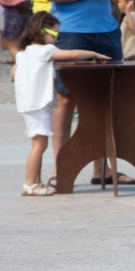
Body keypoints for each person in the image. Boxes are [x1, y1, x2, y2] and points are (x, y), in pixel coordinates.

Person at [43, 0, 135, 188]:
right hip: (71, 31)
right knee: (66, 99)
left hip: (106, 30)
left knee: (106, 100)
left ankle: (102, 169)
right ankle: (60, 167)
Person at [12, 12, 110, 196]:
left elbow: (13, 73)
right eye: (55, 35)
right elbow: (72, 53)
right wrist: (94, 53)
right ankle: (29, 185)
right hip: (38, 105)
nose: (56, 40)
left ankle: (36, 181)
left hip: (28, 104)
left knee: (38, 144)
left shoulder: (23, 53)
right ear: (41, 32)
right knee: (39, 146)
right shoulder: (44, 51)